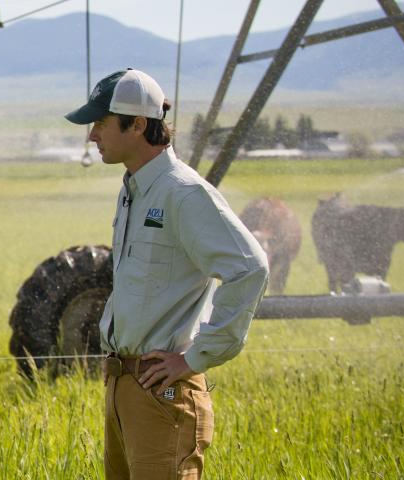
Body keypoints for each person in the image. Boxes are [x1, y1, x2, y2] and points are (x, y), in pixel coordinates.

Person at [64, 69, 269, 479]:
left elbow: (250, 268)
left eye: (101, 123)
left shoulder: (183, 192)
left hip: (163, 393)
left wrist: (194, 358)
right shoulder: (133, 190)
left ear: (138, 125)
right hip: (125, 386)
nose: (92, 135)